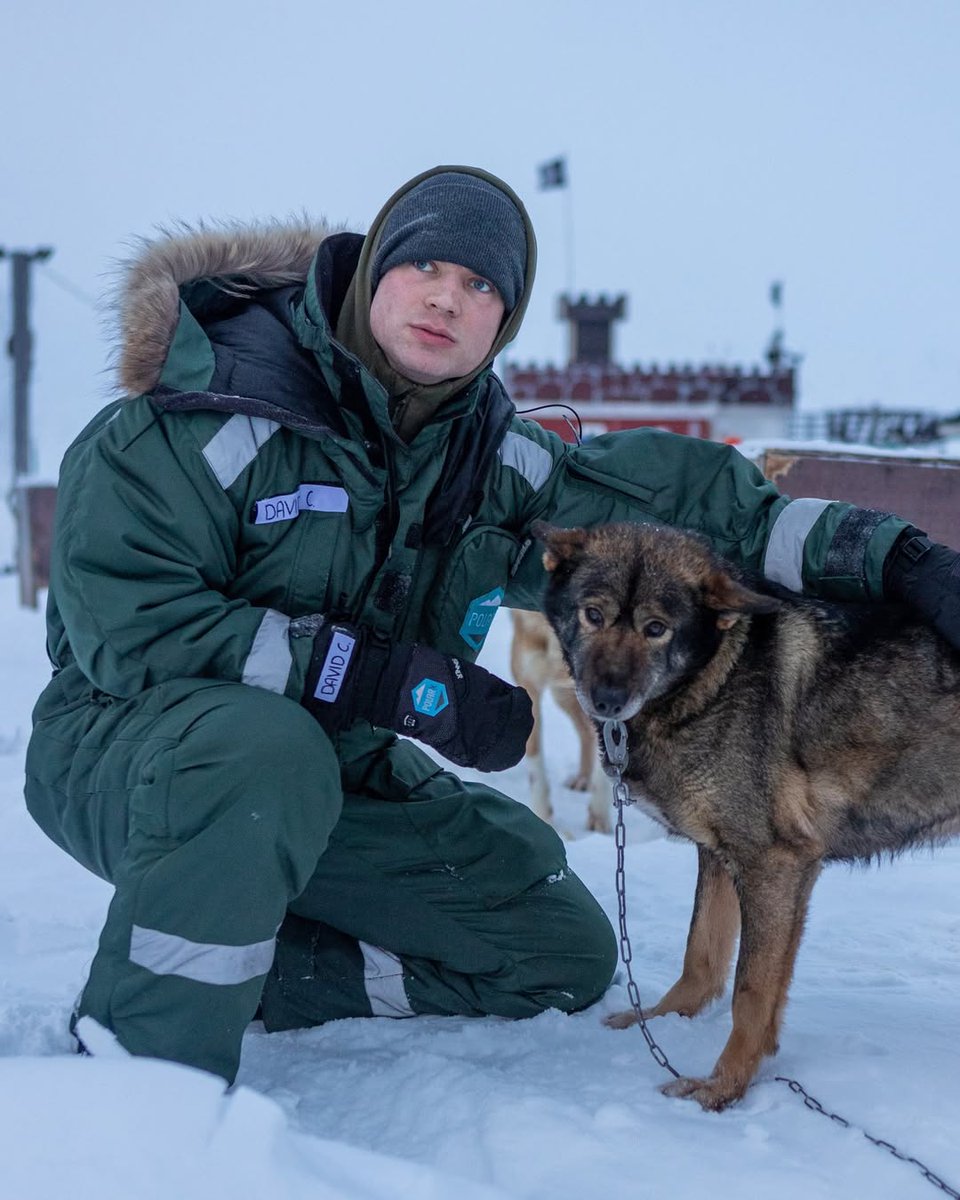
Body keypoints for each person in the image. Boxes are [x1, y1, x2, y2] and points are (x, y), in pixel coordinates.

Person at [24, 165, 960, 1085]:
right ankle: (141, 1083)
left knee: (548, 947)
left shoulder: (486, 458)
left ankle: (251, 970)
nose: (447, 300)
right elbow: (131, 632)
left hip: (326, 771)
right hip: (130, 752)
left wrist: (905, 561)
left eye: (481, 286)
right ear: (373, 269)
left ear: (503, 322)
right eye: (426, 269)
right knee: (262, 755)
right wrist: (377, 678)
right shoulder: (189, 417)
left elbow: (703, 517)